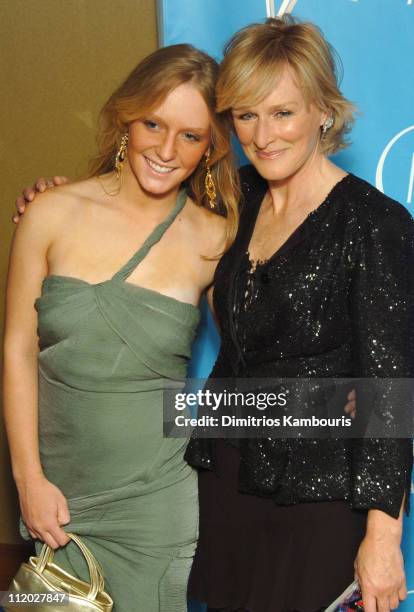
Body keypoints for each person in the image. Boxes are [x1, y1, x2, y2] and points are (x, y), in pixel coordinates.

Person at [183, 16, 414, 612]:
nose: (263, 135)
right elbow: (137, 207)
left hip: (323, 496)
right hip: (227, 475)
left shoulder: (373, 225)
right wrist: (53, 198)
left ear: (323, 111)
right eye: (246, 114)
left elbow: (389, 394)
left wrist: (384, 541)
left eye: (283, 112)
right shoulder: (233, 196)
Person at [3, 43, 240, 612]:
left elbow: (257, 356)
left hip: (159, 504)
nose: (165, 149)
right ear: (125, 119)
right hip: (56, 497)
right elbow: (15, 350)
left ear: (210, 148)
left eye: (191, 135)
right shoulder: (51, 212)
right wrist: (27, 480)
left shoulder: (215, 239)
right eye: (152, 124)